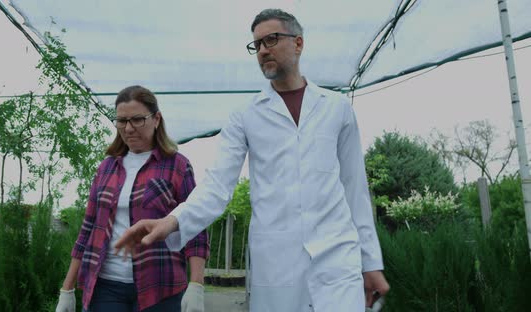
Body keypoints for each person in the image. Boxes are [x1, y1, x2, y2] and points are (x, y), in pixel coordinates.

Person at [115, 9, 389, 312]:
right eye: (256, 45)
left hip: (338, 260)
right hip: (277, 263)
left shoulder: (336, 108)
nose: (262, 50)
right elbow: (218, 185)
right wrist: (172, 221)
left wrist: (371, 262)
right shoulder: (245, 116)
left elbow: (355, 190)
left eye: (271, 39)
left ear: (298, 43)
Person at [56, 85, 209, 312]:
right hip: (106, 288)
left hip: (160, 286)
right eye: (121, 121)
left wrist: (196, 284)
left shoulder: (177, 165)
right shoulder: (107, 167)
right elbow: (88, 230)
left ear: (156, 119)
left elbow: (194, 227)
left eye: (137, 120)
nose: (128, 128)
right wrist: (67, 289)